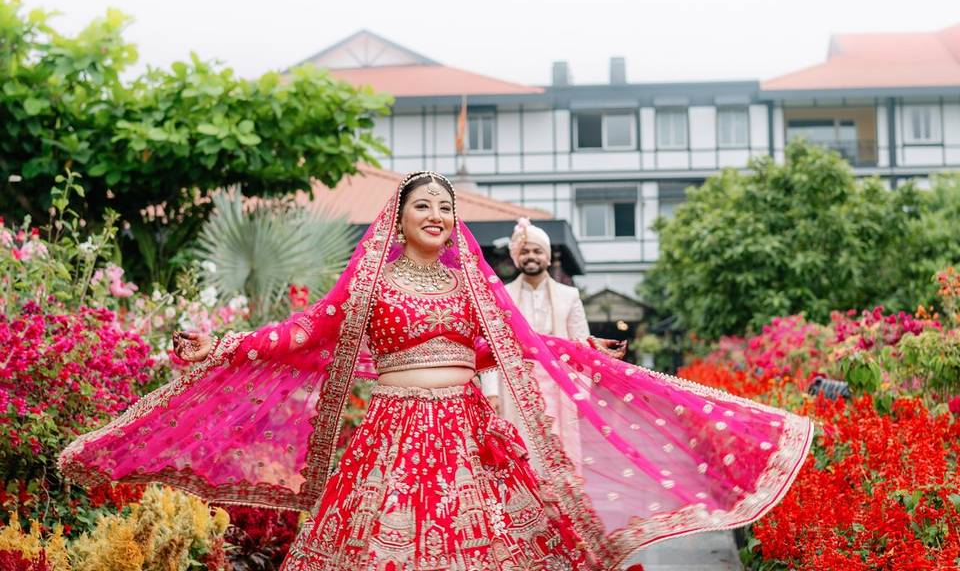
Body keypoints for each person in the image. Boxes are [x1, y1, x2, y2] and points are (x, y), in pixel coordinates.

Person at [60, 171, 814, 571]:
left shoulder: (470, 285)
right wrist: (229, 347)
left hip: (464, 433)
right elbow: (305, 333)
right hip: (390, 438)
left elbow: (512, 348)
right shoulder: (371, 285)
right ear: (398, 216)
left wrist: (584, 358)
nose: (438, 216)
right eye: (425, 205)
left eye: (446, 208)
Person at [480, 218, 624, 470]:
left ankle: (563, 505)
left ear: (547, 257)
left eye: (537, 251)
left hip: (560, 385)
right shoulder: (503, 296)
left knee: (562, 450)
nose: (531, 256)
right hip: (516, 384)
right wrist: (491, 391)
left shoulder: (569, 296)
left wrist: (583, 391)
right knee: (521, 446)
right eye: (524, 251)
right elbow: (494, 343)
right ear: (517, 257)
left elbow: (581, 344)